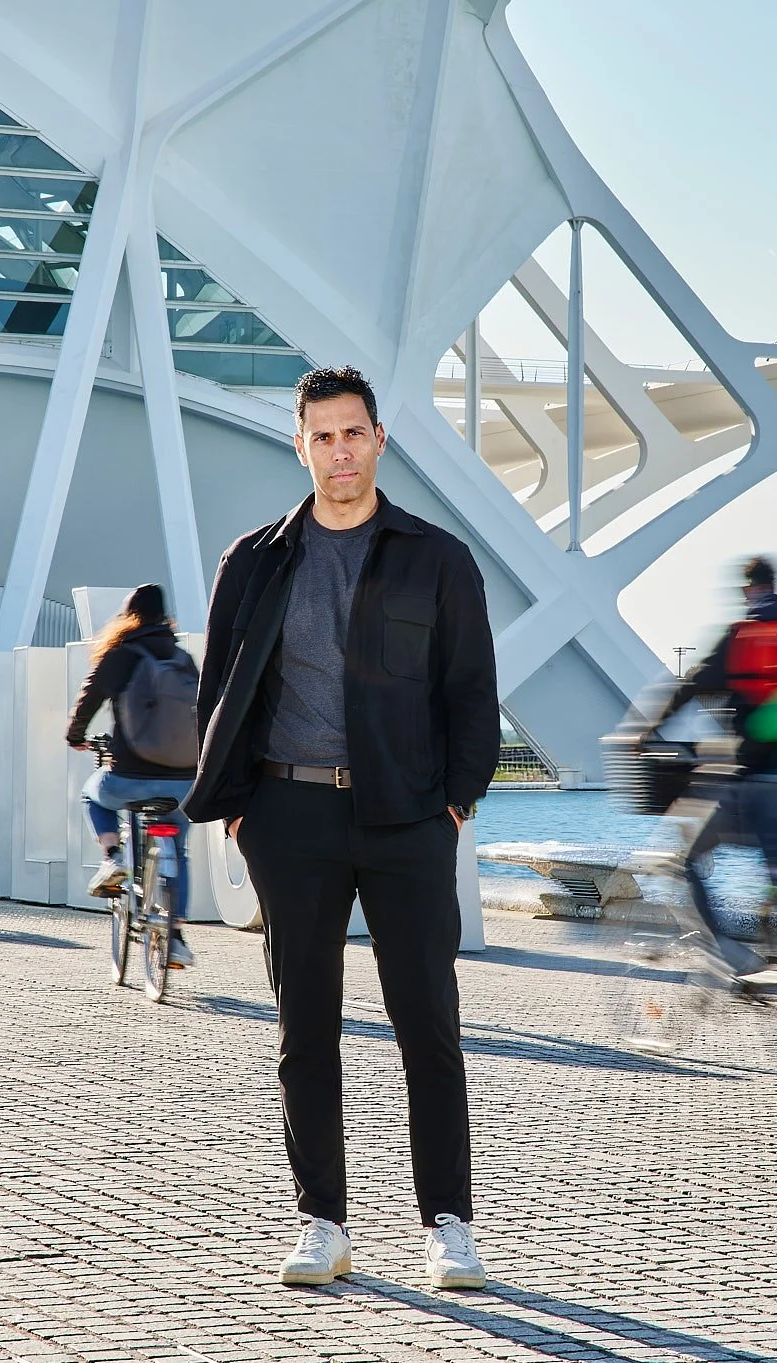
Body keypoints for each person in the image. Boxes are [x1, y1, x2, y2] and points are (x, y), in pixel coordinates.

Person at [185, 365, 499, 1291]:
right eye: (320, 436)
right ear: (301, 446)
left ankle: (448, 1222)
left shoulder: (436, 558)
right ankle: (322, 1220)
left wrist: (457, 798)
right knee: (303, 1027)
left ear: (378, 442)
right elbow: (220, 693)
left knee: (427, 1025)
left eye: (352, 433)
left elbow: (471, 692)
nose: (339, 451)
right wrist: (243, 809)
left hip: (407, 818)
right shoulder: (255, 560)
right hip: (290, 815)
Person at [649, 556, 777, 975]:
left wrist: (652, 730)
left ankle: (723, 949)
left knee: (683, 861)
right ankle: (774, 901)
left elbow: (696, 684)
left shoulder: (743, 636)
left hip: (749, 781)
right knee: (770, 853)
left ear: (749, 590)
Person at [66, 583, 200, 967]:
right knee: (180, 849)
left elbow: (88, 699)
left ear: (129, 617)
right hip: (184, 781)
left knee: (92, 794)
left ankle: (112, 857)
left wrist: (75, 736)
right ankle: (174, 936)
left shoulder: (121, 655)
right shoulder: (182, 658)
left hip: (130, 775)